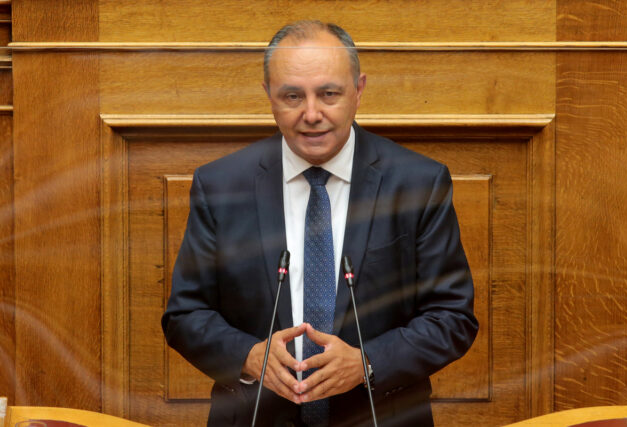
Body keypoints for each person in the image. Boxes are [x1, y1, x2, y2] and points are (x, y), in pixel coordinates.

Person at [162, 20, 478, 427]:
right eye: (292, 96)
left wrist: (367, 362)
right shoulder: (220, 185)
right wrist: (249, 357)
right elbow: (185, 315)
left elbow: (452, 317)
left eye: (329, 94)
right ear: (269, 95)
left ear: (358, 90)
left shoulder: (419, 183)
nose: (311, 114)